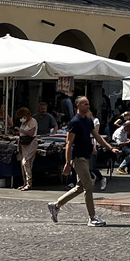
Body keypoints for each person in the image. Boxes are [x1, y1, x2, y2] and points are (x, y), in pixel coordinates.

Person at [47, 96, 114, 226]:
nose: (88, 106)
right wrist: (67, 162)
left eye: (88, 104)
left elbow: (97, 137)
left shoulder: (88, 120)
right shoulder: (75, 122)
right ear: (78, 106)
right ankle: (92, 217)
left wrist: (110, 148)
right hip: (78, 158)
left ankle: (56, 205)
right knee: (89, 186)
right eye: (85, 104)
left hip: (86, 157)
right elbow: (68, 143)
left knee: (80, 187)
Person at [13, 106, 38, 190]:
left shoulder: (32, 121)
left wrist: (21, 131)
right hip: (23, 145)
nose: (21, 119)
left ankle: (29, 183)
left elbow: (31, 133)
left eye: (22, 116)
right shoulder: (23, 123)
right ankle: (25, 183)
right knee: (23, 164)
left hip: (31, 144)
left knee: (26, 162)